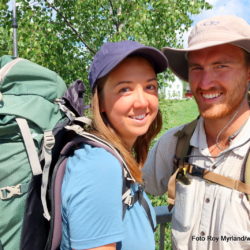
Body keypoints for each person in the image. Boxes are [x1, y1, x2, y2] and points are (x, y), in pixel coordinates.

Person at [143, 15, 250, 250]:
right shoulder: (175, 144)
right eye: (197, 68)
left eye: (221, 66)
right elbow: (135, 187)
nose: (205, 82)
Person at [60, 40, 168, 250]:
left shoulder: (117, 160)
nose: (142, 102)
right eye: (125, 89)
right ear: (100, 101)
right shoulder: (99, 166)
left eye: (150, 87)